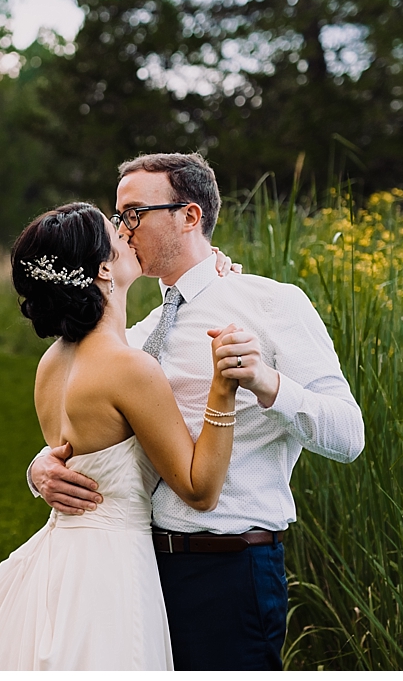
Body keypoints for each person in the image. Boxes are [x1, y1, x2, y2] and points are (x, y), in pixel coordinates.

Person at [27, 152, 365, 670]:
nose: (122, 228)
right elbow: (102, 426)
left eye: (134, 213)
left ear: (189, 216)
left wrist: (268, 384)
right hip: (134, 566)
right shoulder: (132, 337)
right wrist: (42, 467)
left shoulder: (272, 304)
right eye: (119, 216)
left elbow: (349, 435)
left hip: (228, 572)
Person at [0, 201, 244, 671]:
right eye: (117, 231)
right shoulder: (127, 369)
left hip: (59, 559)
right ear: (105, 267)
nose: (129, 233)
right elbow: (200, 489)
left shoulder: (52, 365)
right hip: (110, 570)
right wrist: (222, 389)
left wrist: (209, 266)